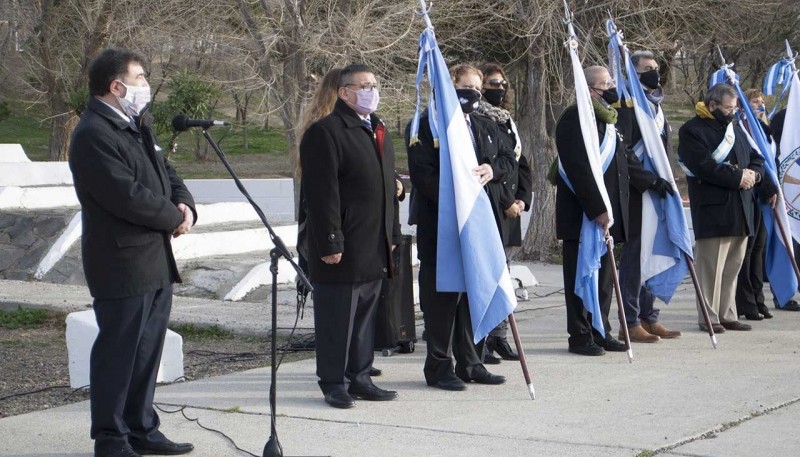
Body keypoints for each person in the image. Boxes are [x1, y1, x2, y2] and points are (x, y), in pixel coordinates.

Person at [68, 48, 197, 457]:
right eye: (139, 78)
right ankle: (111, 437)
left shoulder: (136, 124)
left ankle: (142, 428)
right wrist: (170, 218)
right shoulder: (93, 133)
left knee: (146, 351)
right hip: (120, 261)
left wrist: (186, 205)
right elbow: (125, 195)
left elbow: (166, 173)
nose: (146, 86)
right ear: (116, 85)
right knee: (119, 353)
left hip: (154, 258)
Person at [299, 63, 401, 409]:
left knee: (363, 318)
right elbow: (321, 194)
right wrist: (330, 241)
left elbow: (388, 189)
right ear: (344, 92)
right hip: (341, 244)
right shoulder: (325, 132)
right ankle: (333, 382)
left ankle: (360, 376)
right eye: (364, 85)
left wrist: (392, 234)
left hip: (374, 242)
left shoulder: (378, 129)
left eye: (374, 84)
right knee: (337, 318)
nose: (371, 91)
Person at [407, 64, 514, 390]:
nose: (474, 94)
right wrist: (461, 192)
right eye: (466, 87)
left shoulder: (482, 123)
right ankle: (439, 367)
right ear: (448, 86)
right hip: (443, 226)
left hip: (478, 228)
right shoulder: (427, 125)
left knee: (471, 297)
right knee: (442, 300)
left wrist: (490, 169)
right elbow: (423, 175)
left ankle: (471, 362)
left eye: (477, 89)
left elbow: (509, 159)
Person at [678, 83, 776, 333]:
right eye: (728, 108)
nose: (732, 112)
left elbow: (757, 158)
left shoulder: (735, 128)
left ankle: (727, 313)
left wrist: (754, 175)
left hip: (742, 208)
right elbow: (703, 166)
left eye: (734, 108)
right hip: (714, 209)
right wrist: (737, 178)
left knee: (732, 267)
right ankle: (709, 317)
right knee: (711, 268)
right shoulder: (692, 130)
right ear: (712, 106)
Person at [555, 65, 630, 356]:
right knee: (580, 275)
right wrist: (597, 208)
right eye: (606, 83)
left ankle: (601, 330)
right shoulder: (575, 118)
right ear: (589, 89)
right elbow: (578, 169)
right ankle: (580, 335)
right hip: (582, 214)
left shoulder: (608, 120)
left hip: (608, 213)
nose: (612, 86)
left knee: (605, 277)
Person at [615, 51, 682, 343]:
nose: (654, 72)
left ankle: (648, 316)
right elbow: (623, 152)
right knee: (635, 258)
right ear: (634, 72)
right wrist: (649, 180)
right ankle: (628, 321)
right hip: (636, 193)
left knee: (653, 253)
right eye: (647, 69)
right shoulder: (628, 106)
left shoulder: (656, 107)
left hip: (657, 193)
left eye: (656, 68)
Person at [473, 63, 532, 363]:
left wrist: (523, 199)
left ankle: (499, 337)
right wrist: (508, 201)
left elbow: (519, 163)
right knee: (491, 275)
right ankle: (481, 340)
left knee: (505, 275)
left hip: (512, 209)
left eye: (503, 83)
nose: (501, 88)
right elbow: (489, 166)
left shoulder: (506, 119)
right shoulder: (478, 118)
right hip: (494, 206)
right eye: (494, 83)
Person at [735, 89, 775, 320]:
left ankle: (758, 300)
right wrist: (768, 187)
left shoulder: (764, 130)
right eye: (754, 102)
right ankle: (746, 302)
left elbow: (767, 162)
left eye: (761, 102)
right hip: (751, 194)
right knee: (747, 252)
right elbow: (752, 161)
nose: (759, 106)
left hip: (763, 197)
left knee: (758, 250)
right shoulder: (742, 129)